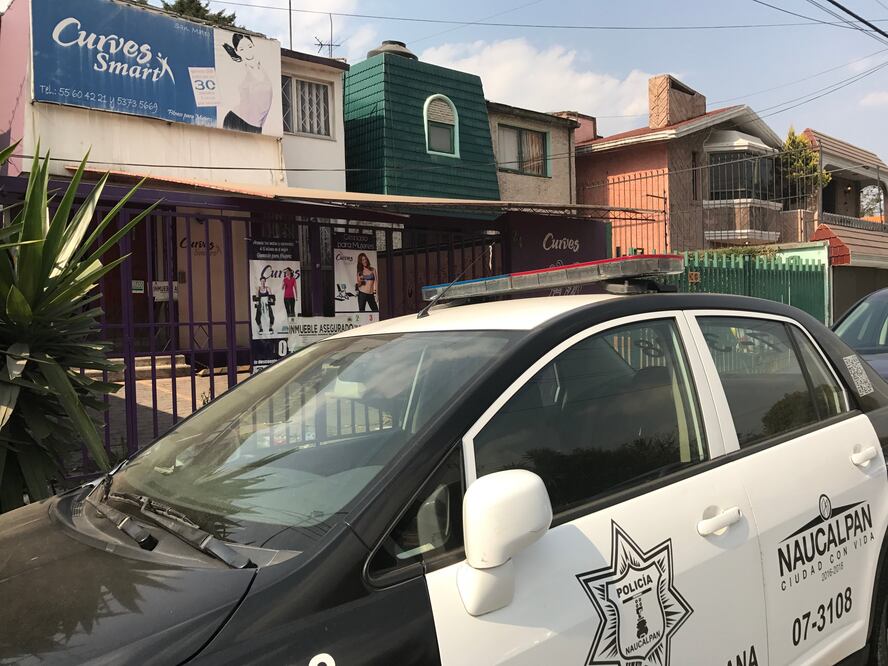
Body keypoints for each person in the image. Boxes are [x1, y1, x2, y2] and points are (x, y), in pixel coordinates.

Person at [221, 34, 272, 134]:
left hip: (256, 126)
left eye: (249, 46)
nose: (248, 52)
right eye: (242, 49)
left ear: (254, 46)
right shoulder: (241, 69)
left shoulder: (263, 67)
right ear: (237, 52)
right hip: (237, 121)